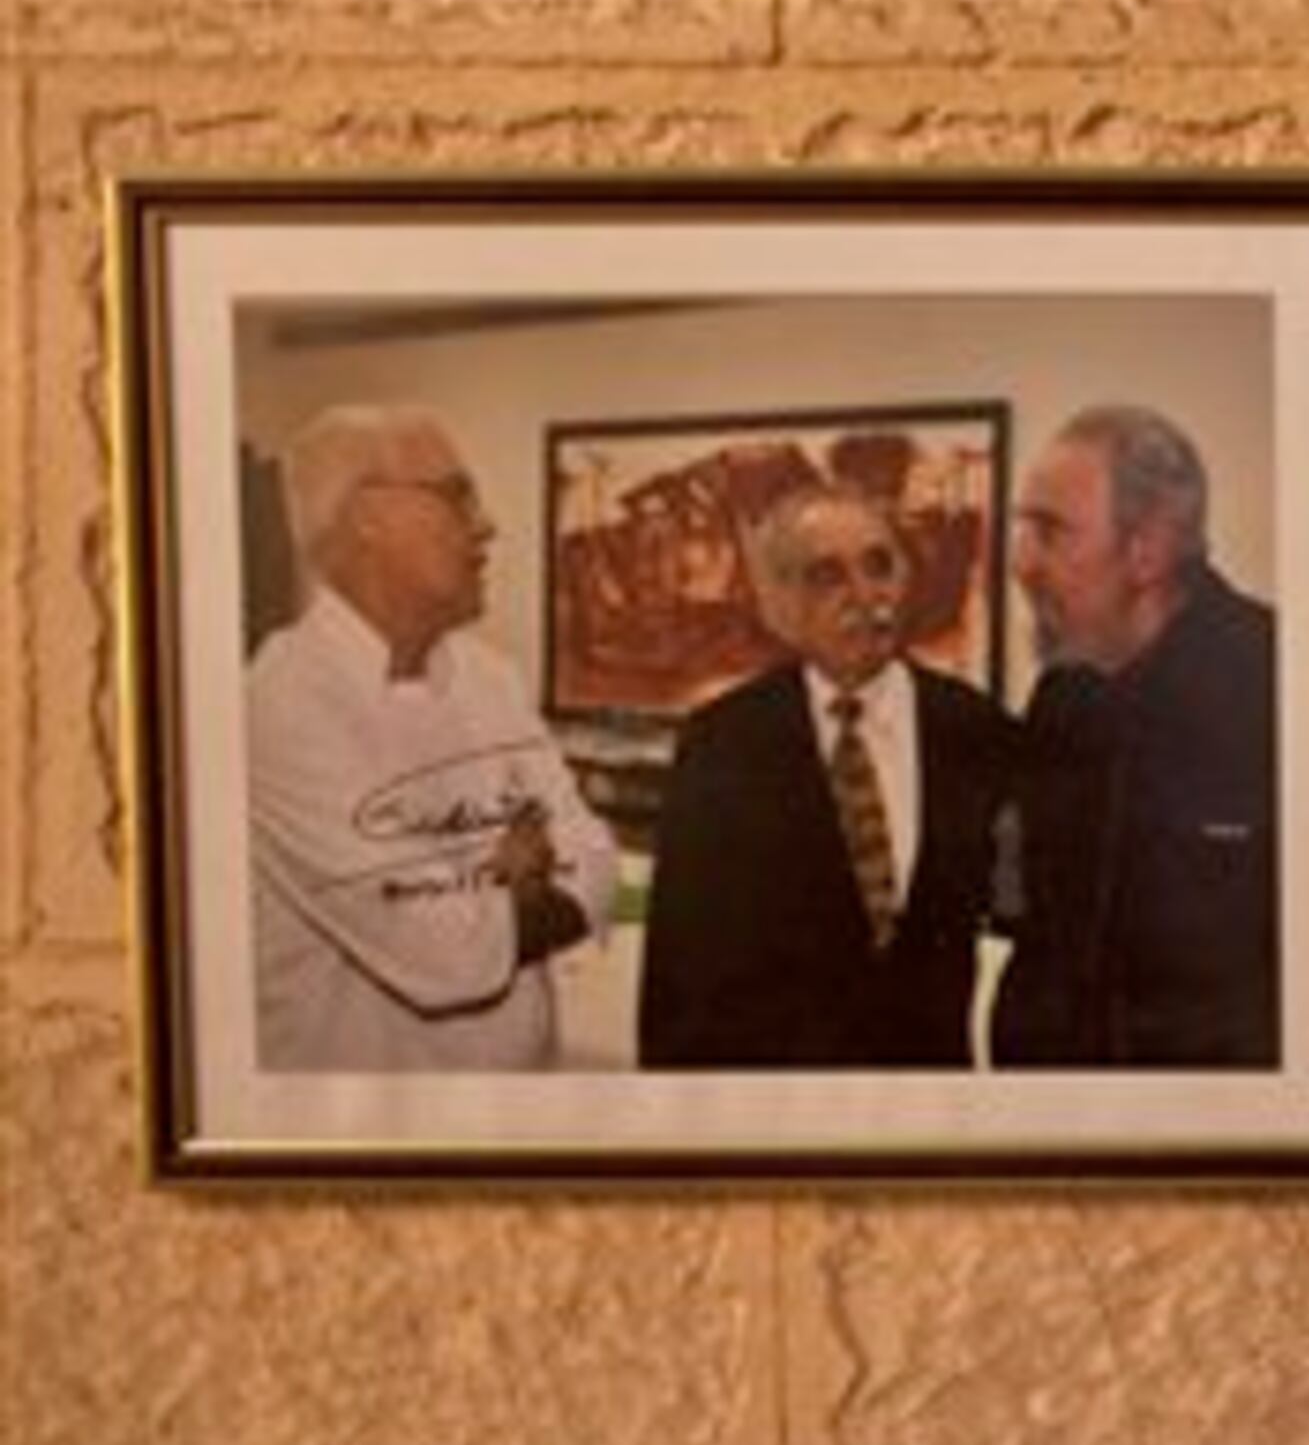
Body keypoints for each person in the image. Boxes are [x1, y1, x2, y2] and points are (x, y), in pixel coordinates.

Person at [245, 404, 617, 1072]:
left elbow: (597, 860)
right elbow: (445, 957)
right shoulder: (277, 707)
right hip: (366, 1140)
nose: (487, 524)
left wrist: (499, 898)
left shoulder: (490, 677)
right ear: (368, 519)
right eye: (456, 495)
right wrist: (518, 890)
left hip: (520, 1104)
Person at [638, 485, 1020, 1068]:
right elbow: (677, 975)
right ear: (779, 606)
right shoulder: (722, 745)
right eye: (827, 576)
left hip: (932, 1107)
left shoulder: (973, 729)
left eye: (878, 564)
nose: (866, 596)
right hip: (783, 1115)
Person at [992, 403, 1279, 1067]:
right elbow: (1037, 928)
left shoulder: (1278, 683)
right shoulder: (1062, 698)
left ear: (1146, 550)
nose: (1021, 563)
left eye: (1050, 532)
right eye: (1022, 530)